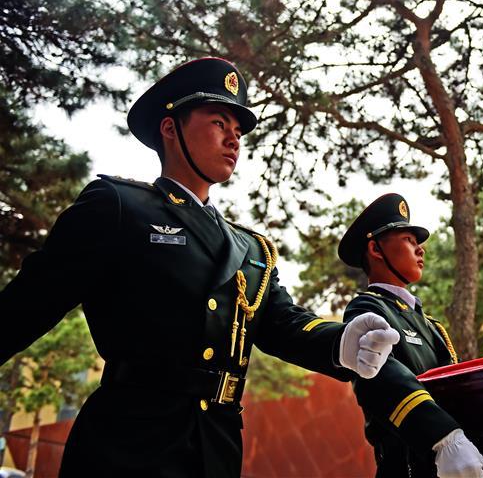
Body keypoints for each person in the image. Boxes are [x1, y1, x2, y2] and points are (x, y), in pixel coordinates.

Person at [0, 58, 403, 477]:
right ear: (170, 128)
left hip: (217, 444)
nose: (234, 140)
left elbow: (280, 322)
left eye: (238, 131)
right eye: (217, 123)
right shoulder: (118, 206)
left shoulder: (250, 247)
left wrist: (342, 342)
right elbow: (29, 303)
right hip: (130, 444)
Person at [339, 193, 483, 478]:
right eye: (409, 240)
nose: (420, 249)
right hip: (406, 468)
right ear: (375, 249)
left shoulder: (432, 325)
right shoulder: (368, 308)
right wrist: (442, 437)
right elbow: (378, 379)